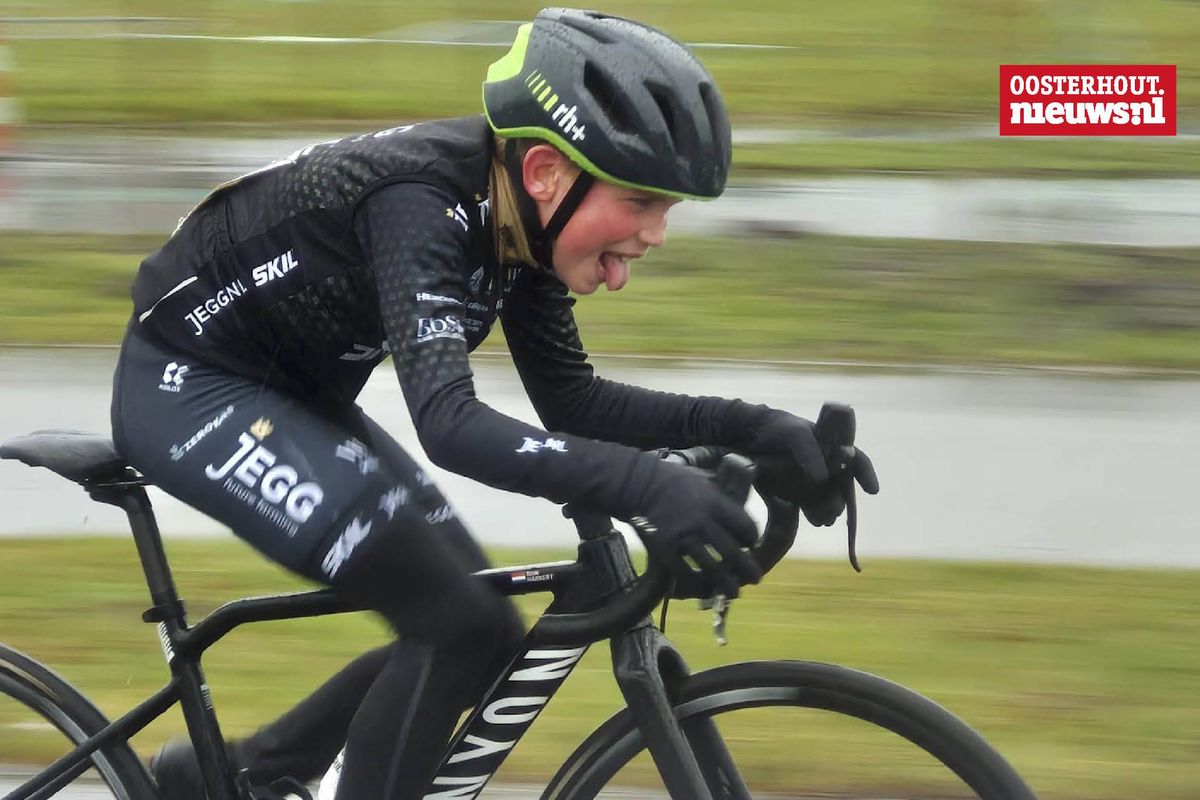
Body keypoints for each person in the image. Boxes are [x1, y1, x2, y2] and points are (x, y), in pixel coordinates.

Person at [111, 8, 877, 800]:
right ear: (547, 170)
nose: (656, 233)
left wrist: (755, 431)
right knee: (449, 623)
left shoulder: (522, 224)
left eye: (667, 211)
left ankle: (231, 777)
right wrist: (648, 485)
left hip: (291, 394)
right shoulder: (424, 206)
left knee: (481, 632)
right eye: (644, 200)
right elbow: (451, 425)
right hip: (189, 387)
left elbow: (573, 403)